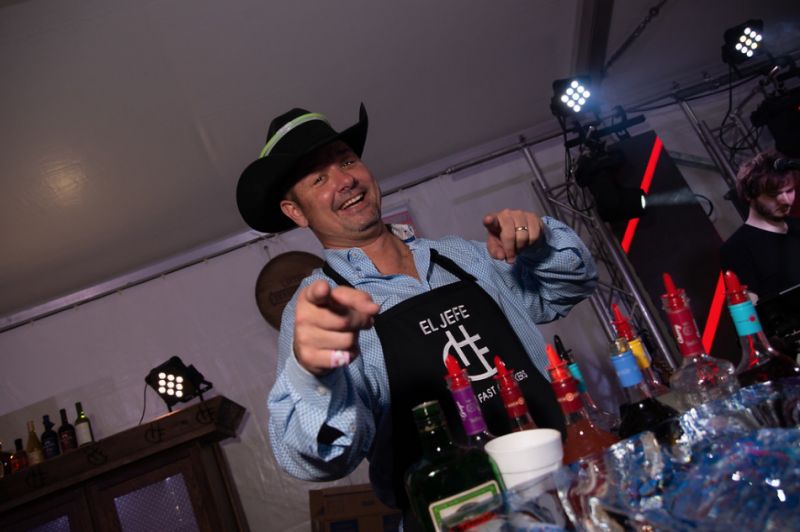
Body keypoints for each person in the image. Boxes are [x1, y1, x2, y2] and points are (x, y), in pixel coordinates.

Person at [236, 104, 598, 528]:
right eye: (318, 178)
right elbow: (317, 460)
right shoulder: (318, 311)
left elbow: (567, 288)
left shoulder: (461, 256)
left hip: (564, 481)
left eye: (346, 161)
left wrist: (539, 244)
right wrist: (314, 375)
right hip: (460, 517)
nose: (345, 180)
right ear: (296, 212)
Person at [720, 149, 800, 300]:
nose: (785, 200)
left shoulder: (797, 226)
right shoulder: (737, 248)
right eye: (773, 194)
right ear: (749, 195)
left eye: (789, 191)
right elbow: (751, 309)